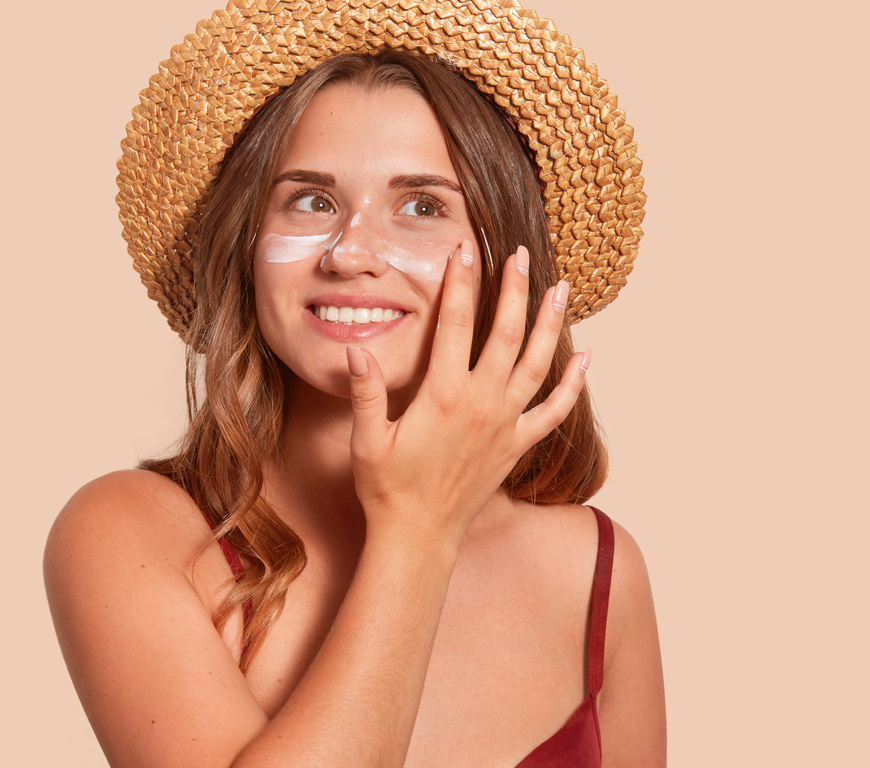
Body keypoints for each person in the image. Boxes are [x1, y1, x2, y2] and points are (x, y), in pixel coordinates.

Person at [43, 1, 665, 766]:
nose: (352, 252)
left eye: (422, 205)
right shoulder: (134, 535)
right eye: (311, 200)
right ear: (246, 246)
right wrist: (417, 529)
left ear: (510, 257)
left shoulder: (598, 571)